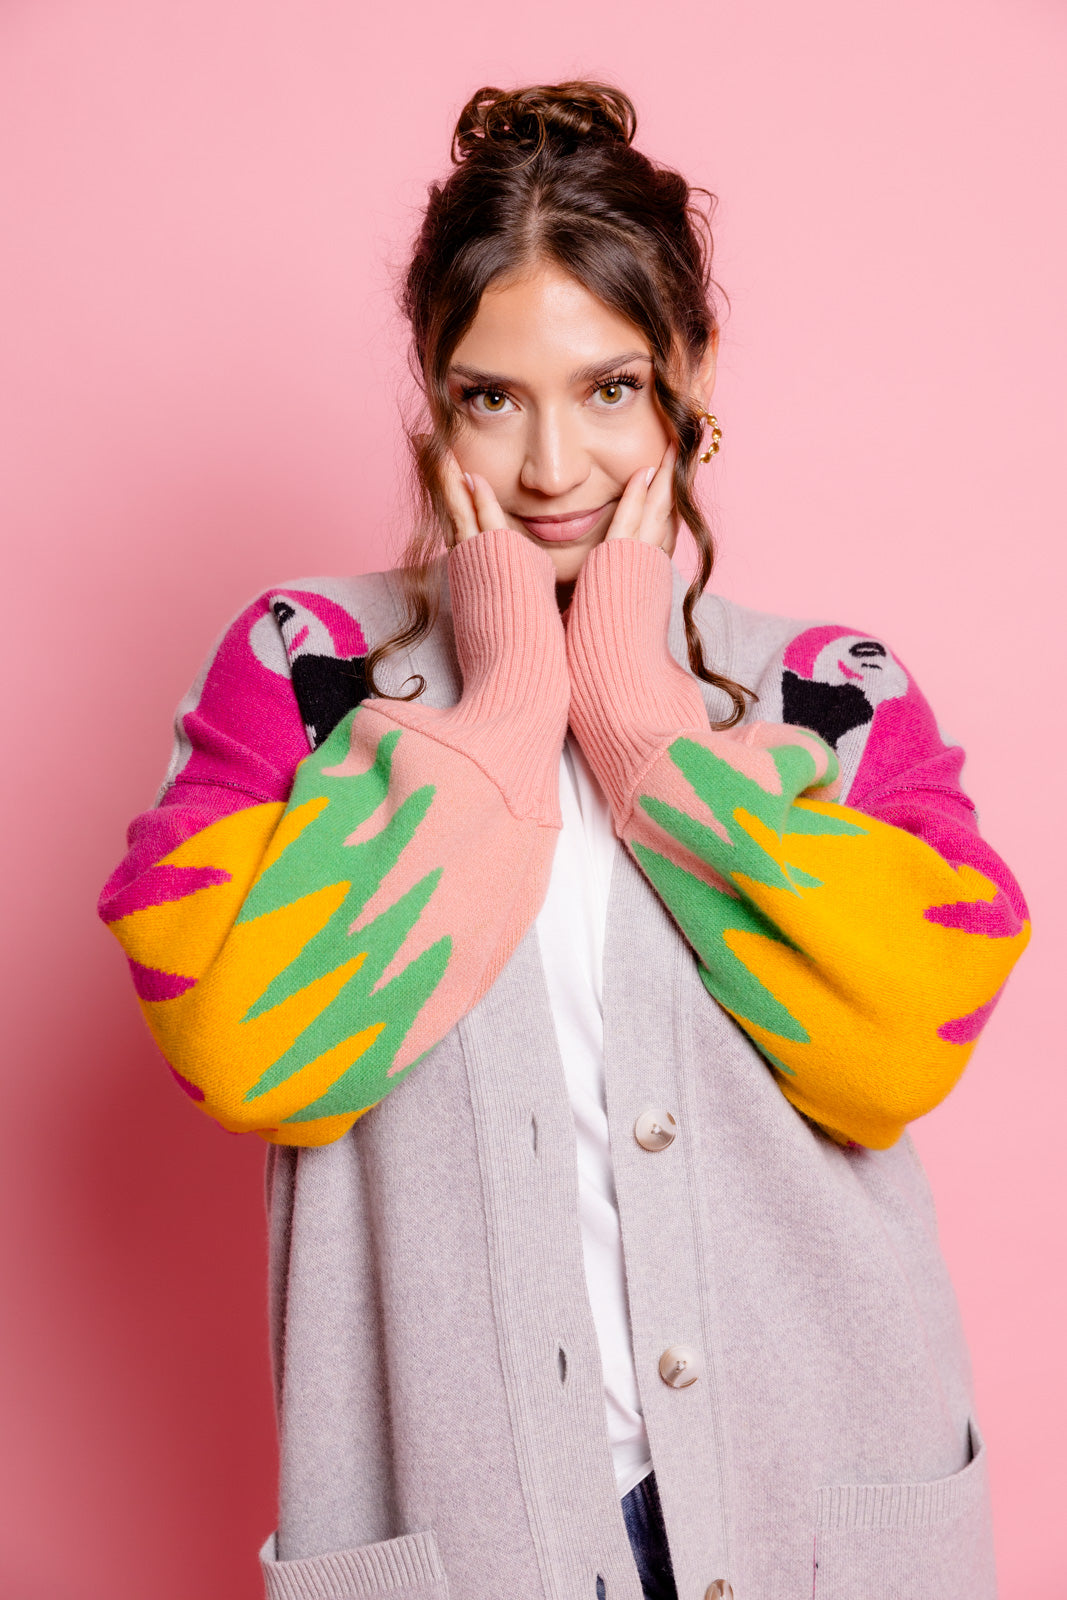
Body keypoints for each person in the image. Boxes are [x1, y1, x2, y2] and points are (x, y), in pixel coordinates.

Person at [97, 81, 1029, 1600]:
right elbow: (250, 1046)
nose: (550, 467)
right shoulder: (306, 671)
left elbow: (900, 1050)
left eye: (607, 389)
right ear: (432, 391)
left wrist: (647, 727)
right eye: (492, 397)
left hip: (813, 1505)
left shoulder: (827, 689)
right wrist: (511, 702)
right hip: (472, 1536)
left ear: (687, 377)